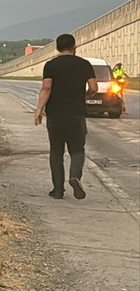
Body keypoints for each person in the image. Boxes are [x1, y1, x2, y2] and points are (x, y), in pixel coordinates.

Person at [34, 34, 97, 199]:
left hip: (55, 114)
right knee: (77, 150)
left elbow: (46, 88)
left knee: (56, 151)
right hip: (76, 114)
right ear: (74, 46)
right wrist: (85, 95)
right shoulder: (84, 64)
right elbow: (93, 87)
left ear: (57, 48)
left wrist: (39, 109)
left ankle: (57, 190)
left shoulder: (51, 65)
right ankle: (75, 176)